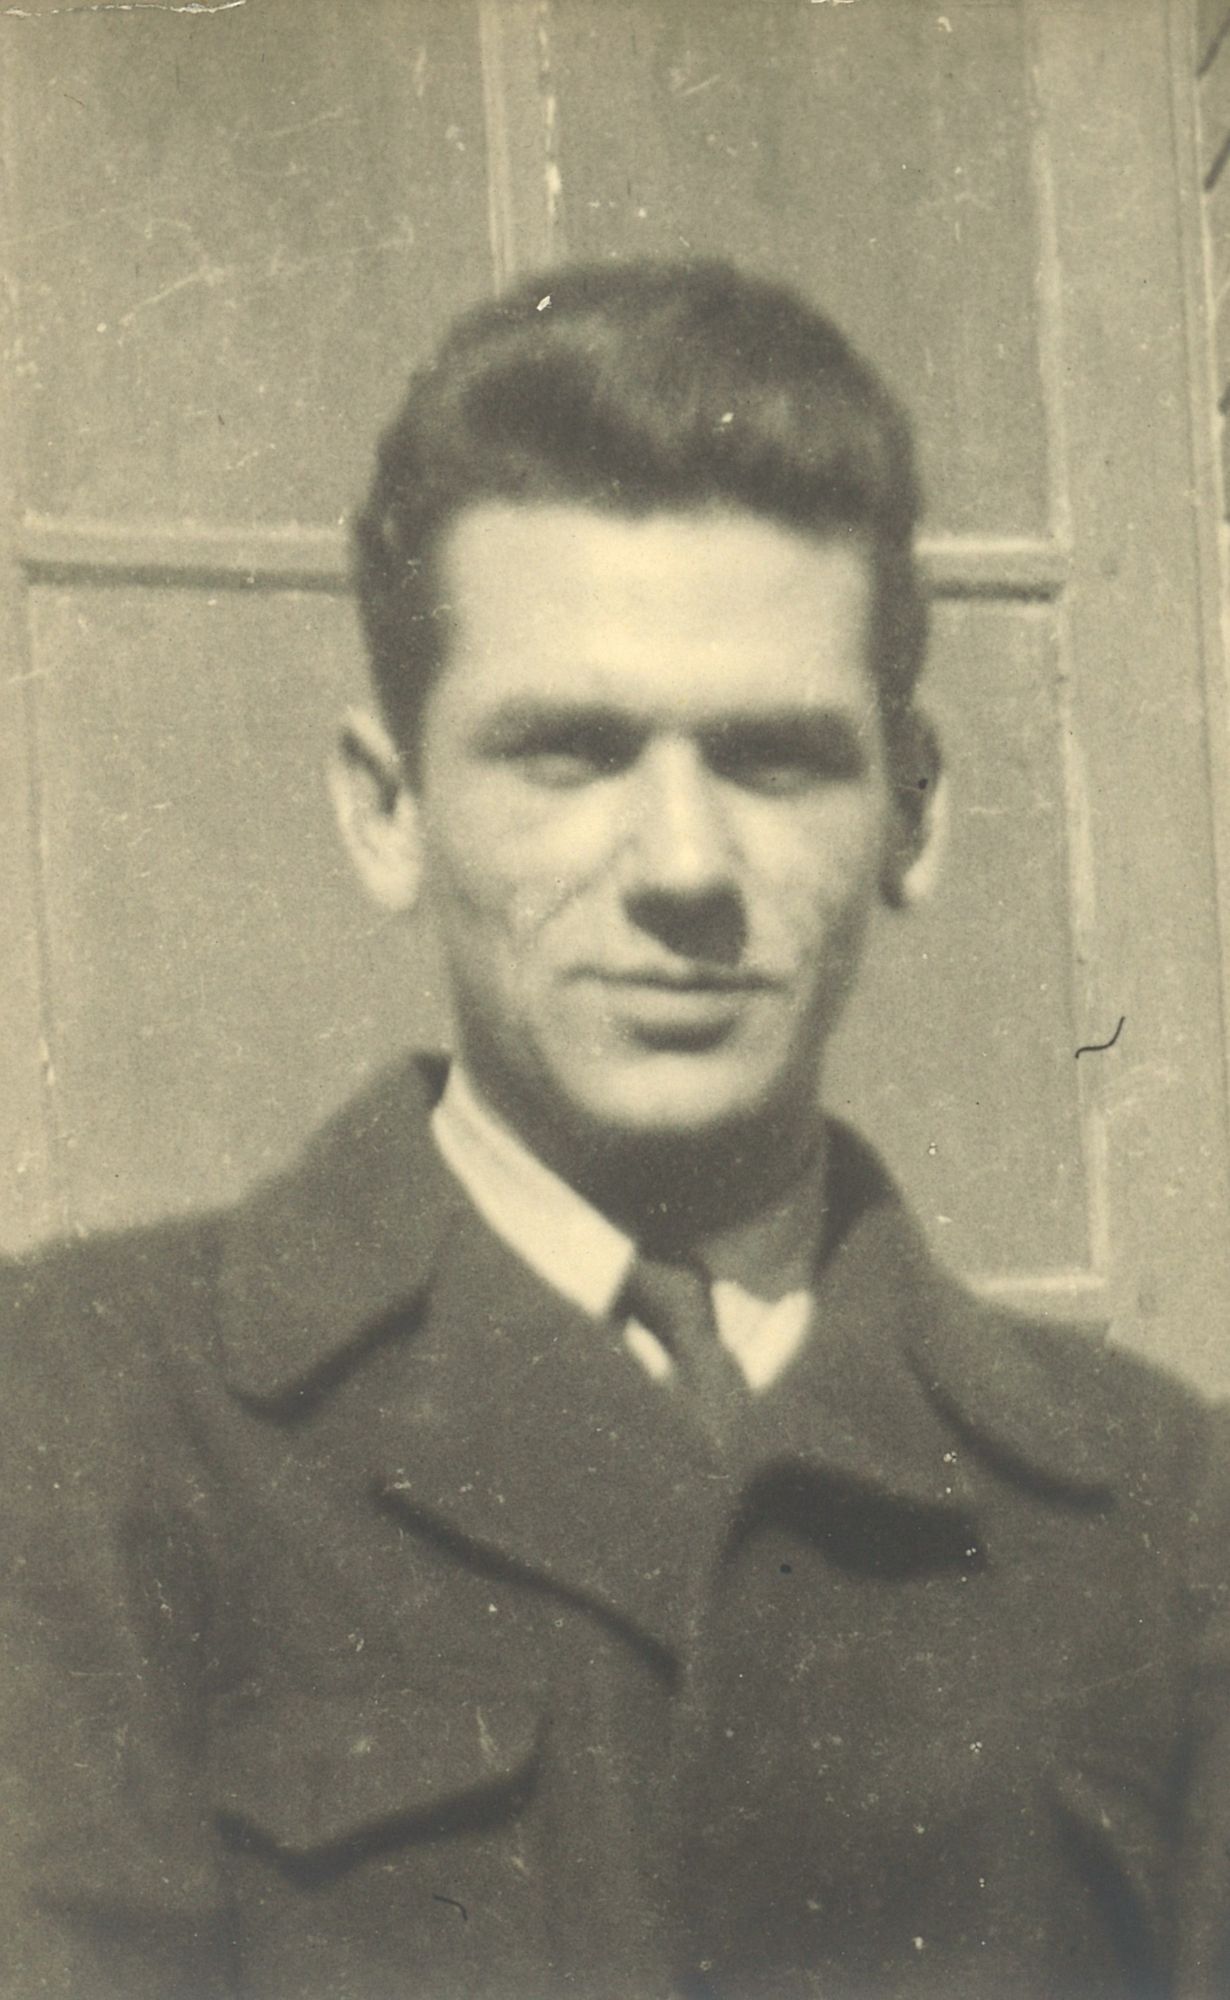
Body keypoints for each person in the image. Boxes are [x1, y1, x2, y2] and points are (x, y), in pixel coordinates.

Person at [3, 258, 1229, 2000]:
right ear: (387, 808)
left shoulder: (1159, 1513)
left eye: (775, 758)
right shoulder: (80, 1427)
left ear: (912, 812)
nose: (682, 867)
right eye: (567, 752)